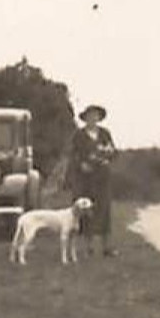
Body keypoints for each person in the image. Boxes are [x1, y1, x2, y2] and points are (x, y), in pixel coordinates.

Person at [64, 104, 118, 258]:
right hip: (85, 179)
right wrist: (81, 164)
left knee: (104, 210)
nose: (93, 119)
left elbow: (113, 151)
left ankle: (107, 247)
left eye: (95, 116)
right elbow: (73, 155)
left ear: (99, 118)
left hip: (102, 177)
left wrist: (108, 157)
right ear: (85, 118)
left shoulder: (105, 134)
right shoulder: (79, 135)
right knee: (87, 211)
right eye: (89, 116)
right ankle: (88, 248)